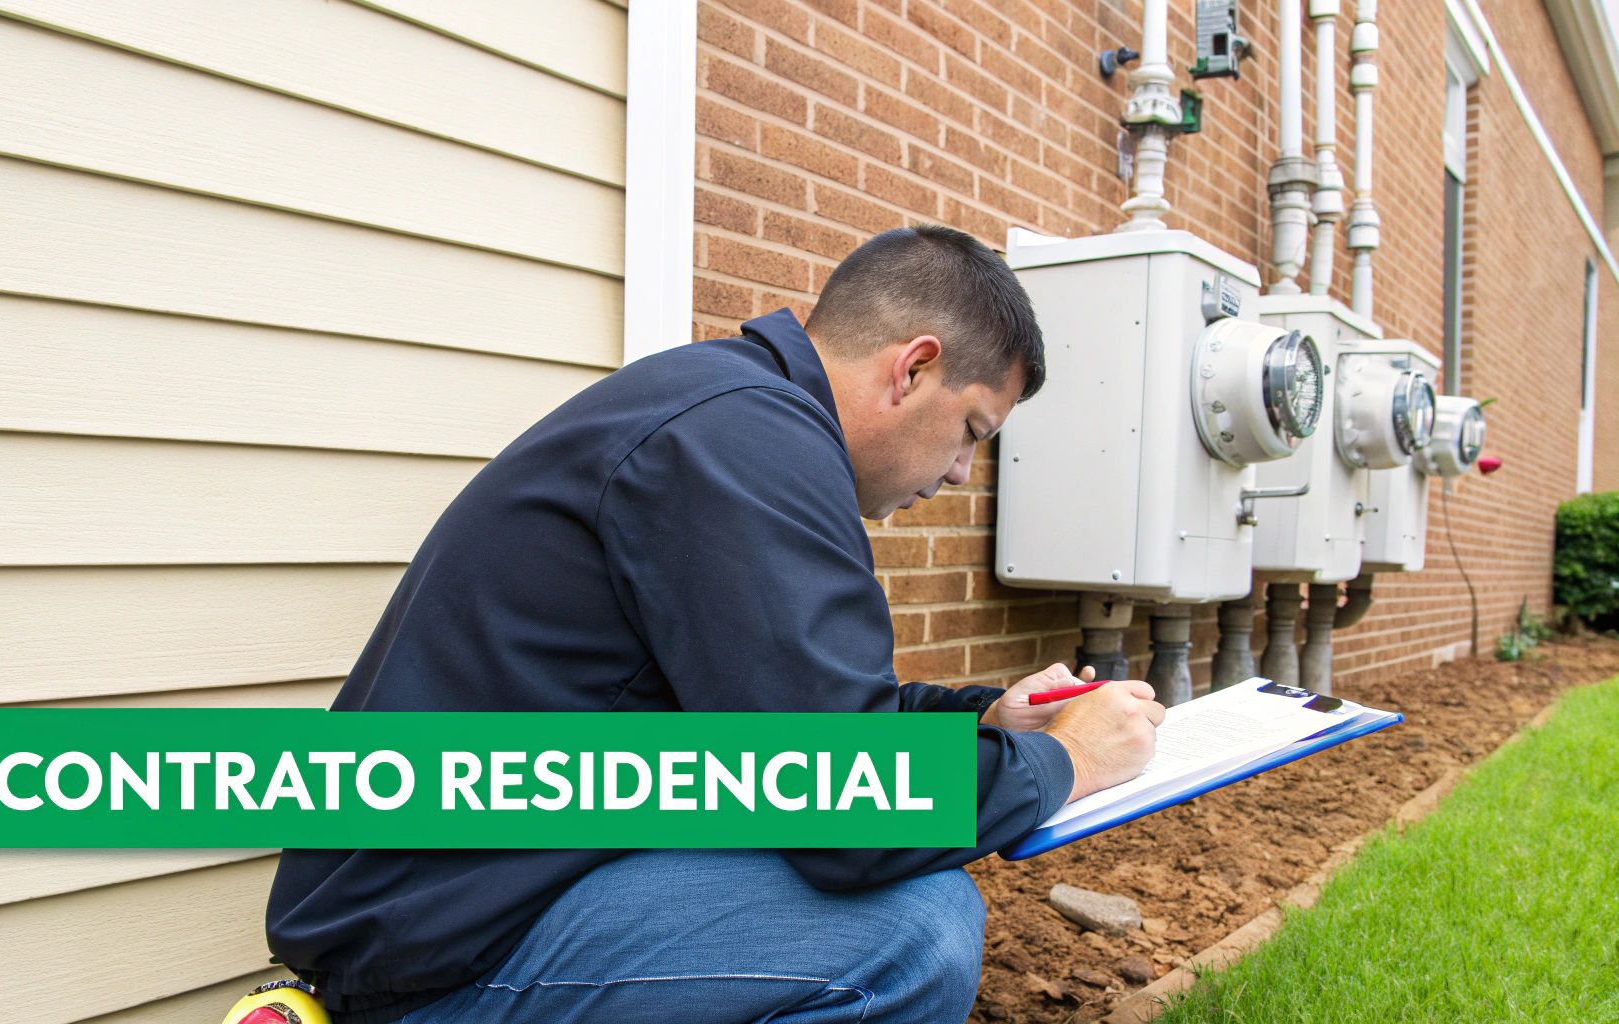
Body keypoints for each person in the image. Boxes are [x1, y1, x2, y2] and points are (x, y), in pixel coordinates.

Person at [265, 224, 1166, 1024]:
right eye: (971, 429)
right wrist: (1070, 762)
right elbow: (844, 807)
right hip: (435, 952)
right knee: (912, 930)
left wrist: (979, 723)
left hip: (481, 888)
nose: (965, 472)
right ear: (914, 367)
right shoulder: (744, 444)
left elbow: (787, 728)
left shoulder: (727, 414)